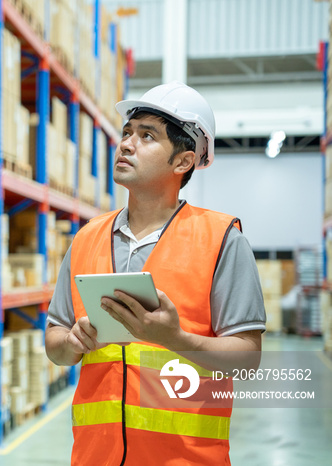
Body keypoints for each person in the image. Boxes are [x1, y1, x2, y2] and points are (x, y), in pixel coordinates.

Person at [45, 81, 266, 465]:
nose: (127, 144)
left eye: (147, 136)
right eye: (127, 133)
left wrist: (176, 339)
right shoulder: (86, 239)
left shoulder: (221, 241)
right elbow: (55, 343)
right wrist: (73, 343)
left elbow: (247, 359)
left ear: (183, 162)